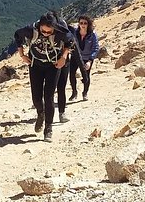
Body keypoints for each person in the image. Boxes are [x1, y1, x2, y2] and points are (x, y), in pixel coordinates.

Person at [14, 12, 73, 142]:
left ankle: (48, 128)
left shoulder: (60, 31)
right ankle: (41, 113)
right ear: (39, 26)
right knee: (36, 98)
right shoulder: (31, 30)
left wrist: (63, 57)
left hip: (53, 65)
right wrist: (22, 55)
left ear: (54, 28)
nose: (46, 34)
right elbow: (17, 35)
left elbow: (70, 40)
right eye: (43, 31)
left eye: (49, 32)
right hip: (35, 65)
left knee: (49, 96)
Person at [69, 15, 99, 101]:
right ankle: (74, 92)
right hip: (75, 56)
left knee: (86, 76)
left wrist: (90, 60)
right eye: (81, 23)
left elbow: (95, 48)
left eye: (85, 23)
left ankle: (85, 93)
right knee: (71, 74)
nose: (83, 25)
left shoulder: (92, 34)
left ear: (88, 24)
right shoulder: (75, 32)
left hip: (87, 58)